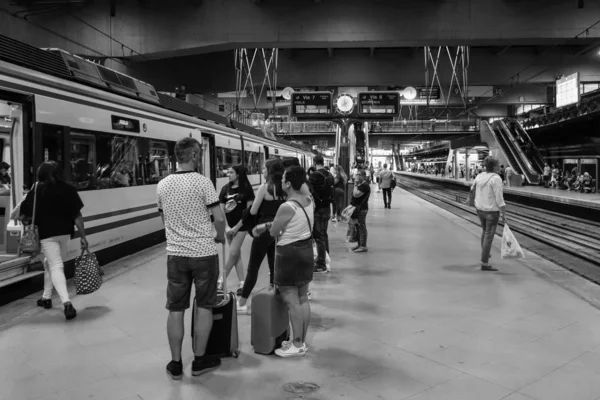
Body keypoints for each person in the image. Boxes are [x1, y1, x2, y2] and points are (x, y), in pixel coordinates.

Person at [157, 137, 227, 380]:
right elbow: (219, 218)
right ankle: (199, 360)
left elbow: (164, 219)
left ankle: (176, 364)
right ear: (195, 156)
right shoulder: (203, 183)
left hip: (176, 255)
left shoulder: (163, 185)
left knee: (175, 308)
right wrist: (219, 237)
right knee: (205, 305)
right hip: (203, 254)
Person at [252, 165, 313, 358]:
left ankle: (296, 344)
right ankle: (301, 341)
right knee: (303, 298)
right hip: (306, 250)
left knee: (291, 300)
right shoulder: (309, 200)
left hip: (289, 254)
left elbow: (273, 232)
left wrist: (264, 227)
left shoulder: (286, 206)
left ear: (288, 183)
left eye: (284, 179)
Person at [20, 161, 88, 320]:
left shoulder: (37, 189)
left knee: (55, 265)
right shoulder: (69, 188)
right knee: (50, 263)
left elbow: (24, 215)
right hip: (65, 233)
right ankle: (46, 298)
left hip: (47, 234)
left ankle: (67, 304)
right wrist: (83, 237)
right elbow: (77, 216)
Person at [237, 159, 287, 314]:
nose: (262, 171)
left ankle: (242, 302)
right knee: (274, 265)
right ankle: (274, 297)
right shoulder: (285, 188)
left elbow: (253, 211)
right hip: (277, 229)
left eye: (264, 168)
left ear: (270, 171)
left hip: (263, 229)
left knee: (253, 267)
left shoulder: (264, 188)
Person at [218, 165, 254, 296]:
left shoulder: (247, 190)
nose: (228, 174)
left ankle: (221, 280)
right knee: (236, 255)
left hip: (241, 227)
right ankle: (242, 282)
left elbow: (249, 211)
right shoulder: (224, 189)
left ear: (238, 174)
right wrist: (226, 227)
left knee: (233, 253)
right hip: (229, 228)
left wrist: (236, 227)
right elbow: (221, 209)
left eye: (231, 172)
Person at [471, 156, 506, 272]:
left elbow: (472, 189)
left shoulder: (479, 176)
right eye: (497, 165)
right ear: (495, 166)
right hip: (491, 211)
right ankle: (485, 263)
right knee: (489, 235)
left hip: (480, 209)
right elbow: (499, 197)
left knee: (485, 231)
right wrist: (503, 212)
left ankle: (485, 253)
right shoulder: (496, 178)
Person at [308, 155, 333, 274]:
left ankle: (321, 264)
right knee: (324, 235)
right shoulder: (330, 175)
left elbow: (309, 191)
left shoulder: (314, 176)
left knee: (319, 237)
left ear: (314, 162)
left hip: (318, 209)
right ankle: (326, 258)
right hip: (327, 208)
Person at [350, 170, 370, 252]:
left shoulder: (365, 185)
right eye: (357, 174)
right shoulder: (361, 184)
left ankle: (363, 246)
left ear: (364, 176)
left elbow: (356, 194)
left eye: (359, 175)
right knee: (358, 226)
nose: (357, 176)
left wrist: (355, 184)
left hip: (362, 209)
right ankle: (359, 244)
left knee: (361, 227)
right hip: (358, 208)